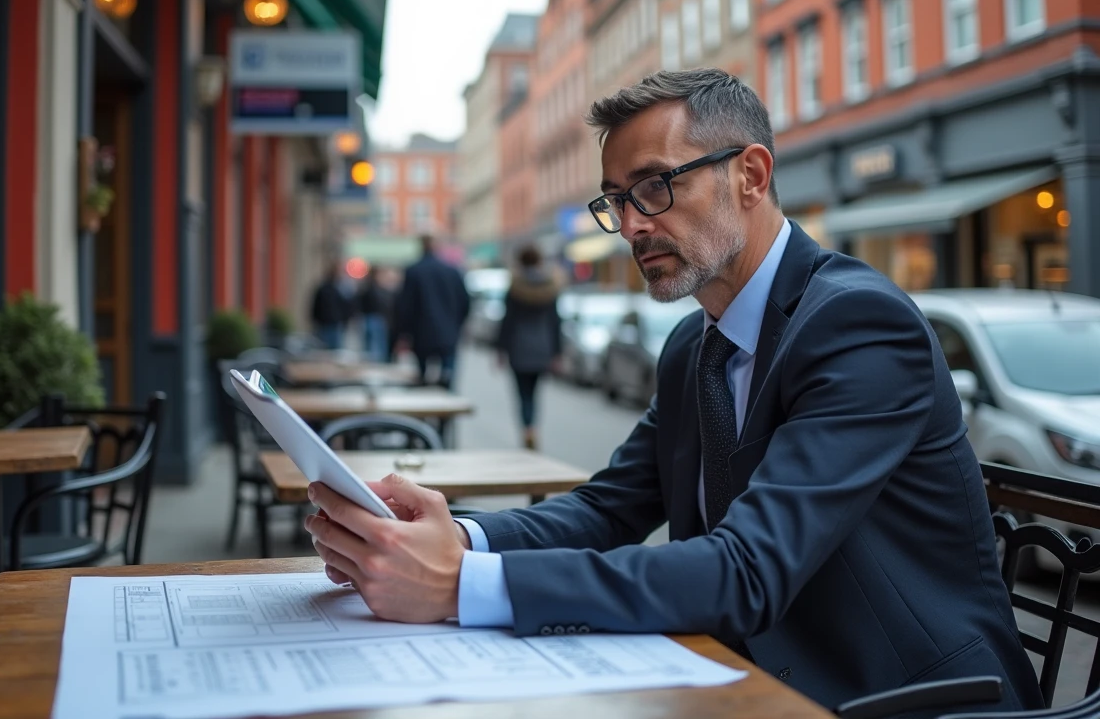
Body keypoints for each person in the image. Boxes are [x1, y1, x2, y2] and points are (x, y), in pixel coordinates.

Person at [303, 70, 1043, 714]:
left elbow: (747, 571)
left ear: (750, 175)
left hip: (910, 699)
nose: (630, 225)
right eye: (615, 200)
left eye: (655, 187)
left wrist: (463, 583)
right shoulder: (695, 344)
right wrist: (454, 538)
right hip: (744, 678)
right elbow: (610, 507)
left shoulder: (859, 325)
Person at [495, 245, 563, 451]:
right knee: (534, 392)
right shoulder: (550, 286)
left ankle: (527, 428)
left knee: (522, 393)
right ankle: (533, 428)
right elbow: (555, 322)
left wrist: (500, 349)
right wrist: (557, 352)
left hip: (518, 347)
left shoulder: (515, 287)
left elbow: (507, 322)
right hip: (542, 347)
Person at [392, 235, 470, 388]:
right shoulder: (452, 271)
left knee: (422, 380)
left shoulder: (413, 271)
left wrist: (403, 332)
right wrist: (457, 325)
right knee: (447, 378)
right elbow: (465, 302)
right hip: (448, 333)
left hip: (421, 332)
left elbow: (405, 305)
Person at [309, 262, 353, 350]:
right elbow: (316, 305)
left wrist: (345, 320)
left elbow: (348, 306)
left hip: (336, 323)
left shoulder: (342, 289)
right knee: (323, 348)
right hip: (324, 323)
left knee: (335, 348)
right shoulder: (324, 288)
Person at [357, 266, 393, 363]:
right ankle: (375, 360)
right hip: (373, 316)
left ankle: (376, 360)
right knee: (374, 341)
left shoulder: (376, 288)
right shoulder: (371, 288)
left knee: (376, 341)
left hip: (377, 317)